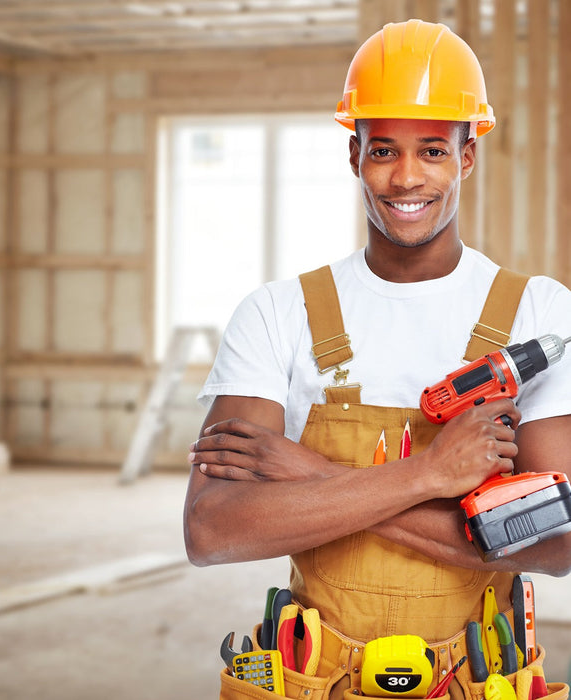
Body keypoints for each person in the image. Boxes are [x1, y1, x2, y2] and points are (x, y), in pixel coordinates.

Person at [183, 19, 571, 700]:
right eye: (383, 149)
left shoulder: (537, 313)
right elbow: (212, 528)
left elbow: (559, 547)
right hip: (316, 679)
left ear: (467, 156)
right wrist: (429, 474)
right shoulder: (280, 314)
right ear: (353, 153)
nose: (406, 177)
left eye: (432, 151)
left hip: (480, 679)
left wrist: (306, 472)